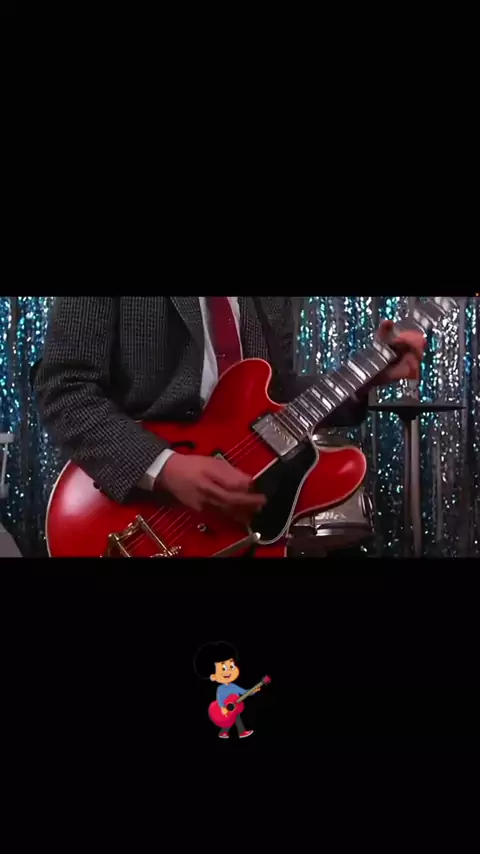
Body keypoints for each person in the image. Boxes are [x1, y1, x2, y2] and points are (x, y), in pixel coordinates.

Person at [34, 297, 425, 517]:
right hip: (135, 513)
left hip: (240, 521)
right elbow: (65, 390)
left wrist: (364, 378)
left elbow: (275, 398)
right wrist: (165, 468)